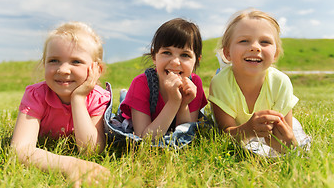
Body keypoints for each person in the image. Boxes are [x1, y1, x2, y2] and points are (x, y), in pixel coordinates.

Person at [11, 22, 110, 186]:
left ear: (96, 70)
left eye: (76, 61)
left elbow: (91, 151)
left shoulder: (98, 98)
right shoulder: (36, 95)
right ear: (44, 63)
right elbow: (19, 150)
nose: (63, 70)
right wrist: (70, 165)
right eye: (54, 60)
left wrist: (78, 99)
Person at [209, 9, 303, 154]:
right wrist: (247, 130)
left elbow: (286, 134)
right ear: (227, 53)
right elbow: (224, 136)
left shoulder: (281, 82)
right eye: (244, 41)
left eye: (265, 42)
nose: (255, 47)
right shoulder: (220, 83)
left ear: (275, 54)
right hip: (239, 132)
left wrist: (288, 143)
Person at [119, 18, 208, 140]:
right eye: (167, 52)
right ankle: (124, 95)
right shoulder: (141, 83)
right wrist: (173, 102)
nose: (175, 62)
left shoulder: (194, 84)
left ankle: (124, 95)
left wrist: (183, 105)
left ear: (196, 61)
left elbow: (185, 136)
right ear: (154, 56)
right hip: (138, 104)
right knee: (123, 104)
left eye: (185, 55)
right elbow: (144, 139)